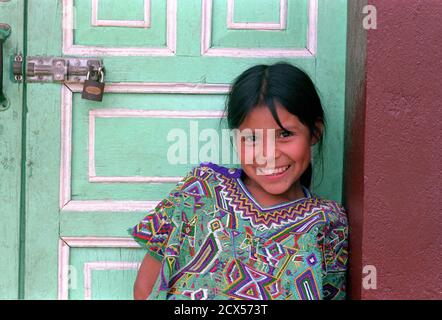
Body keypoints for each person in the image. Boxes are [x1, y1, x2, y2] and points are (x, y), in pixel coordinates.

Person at [128, 62, 348, 300]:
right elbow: (145, 287)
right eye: (252, 138)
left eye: (285, 134)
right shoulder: (201, 189)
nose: (268, 154)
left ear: (315, 132)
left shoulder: (327, 221)